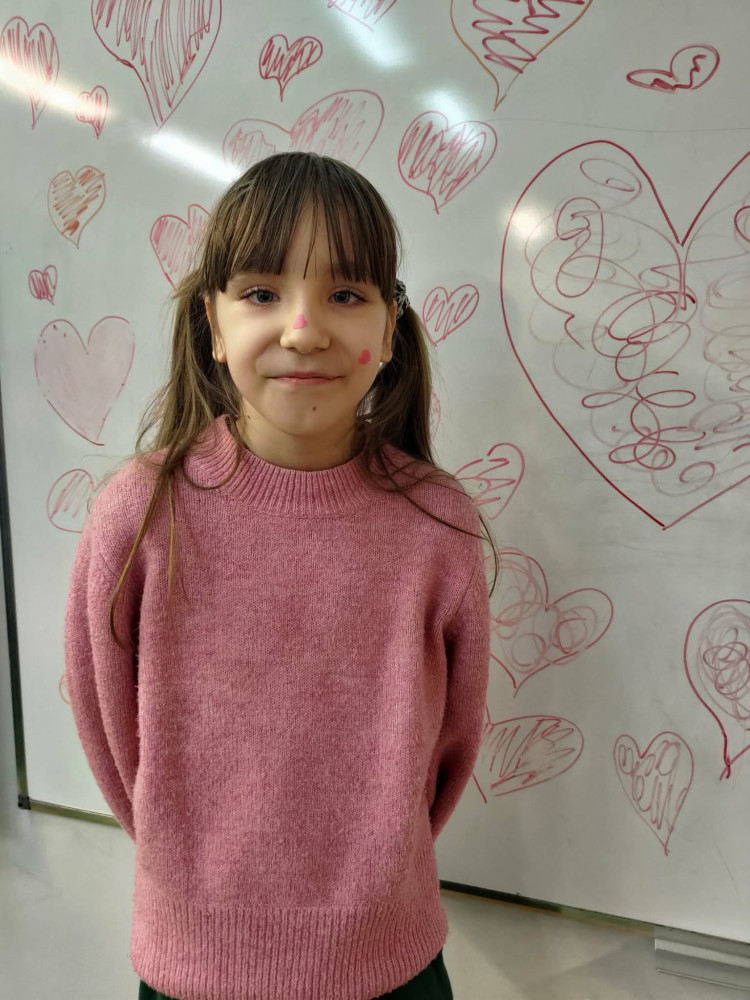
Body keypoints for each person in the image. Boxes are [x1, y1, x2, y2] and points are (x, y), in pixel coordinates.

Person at [64, 151, 498, 1000]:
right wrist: (201, 889)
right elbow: (112, 735)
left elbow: (449, 748)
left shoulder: (437, 526)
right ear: (213, 324)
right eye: (262, 293)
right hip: (194, 971)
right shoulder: (140, 515)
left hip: (393, 967)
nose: (303, 329)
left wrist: (370, 889)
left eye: (347, 294)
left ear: (391, 326)